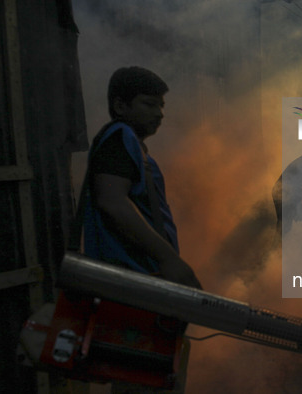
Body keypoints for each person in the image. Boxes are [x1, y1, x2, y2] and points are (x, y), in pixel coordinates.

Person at [81, 66, 199, 393]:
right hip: (132, 285)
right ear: (121, 106)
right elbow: (113, 202)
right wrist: (168, 259)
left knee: (148, 380)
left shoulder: (132, 144)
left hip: (140, 284)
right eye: (149, 104)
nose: (160, 114)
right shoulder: (119, 137)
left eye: (161, 106)